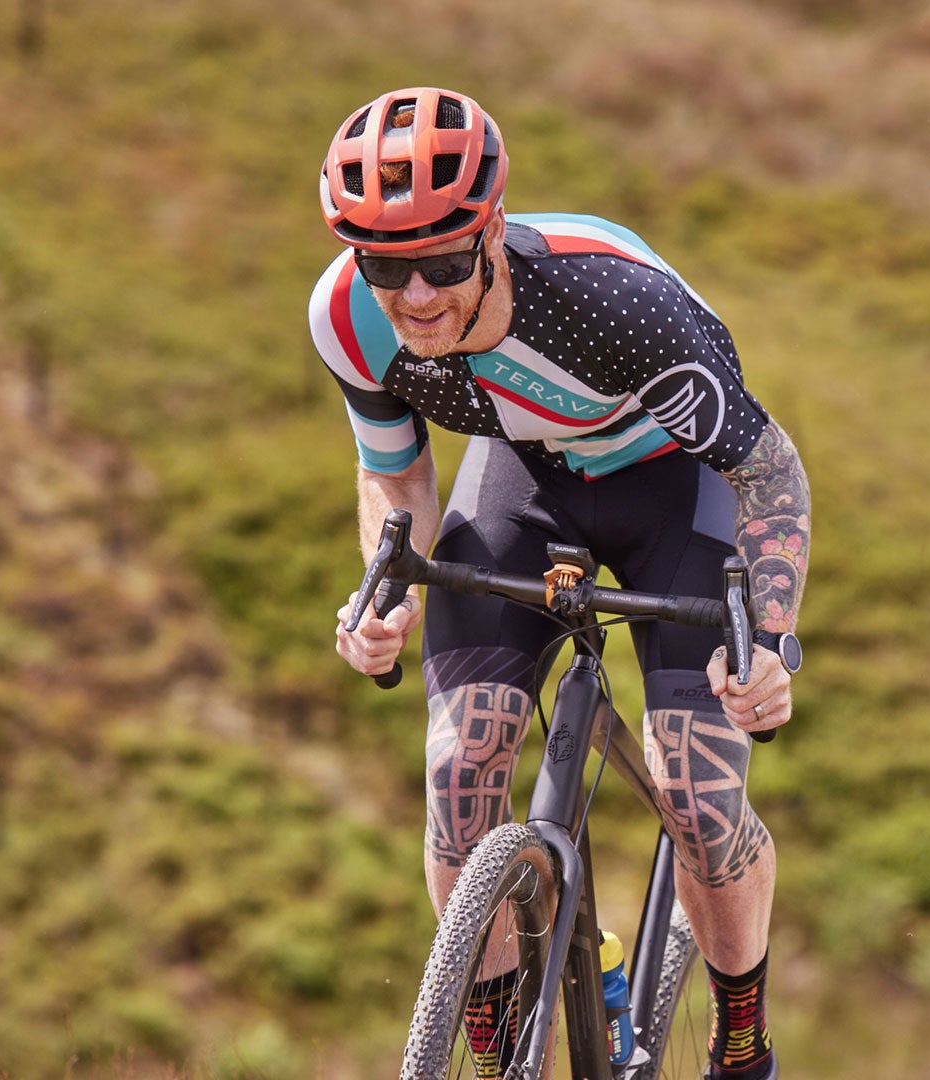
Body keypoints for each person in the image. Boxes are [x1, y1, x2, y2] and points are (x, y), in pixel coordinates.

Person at [311, 87, 808, 1080]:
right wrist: (389, 586)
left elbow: (769, 472)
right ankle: (498, 1047)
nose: (413, 297)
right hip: (529, 478)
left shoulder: (617, 312)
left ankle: (742, 1034)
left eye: (445, 264)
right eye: (384, 265)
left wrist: (774, 642)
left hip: (679, 488)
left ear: (491, 234)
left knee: (700, 798)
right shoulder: (346, 318)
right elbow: (393, 470)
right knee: (460, 780)